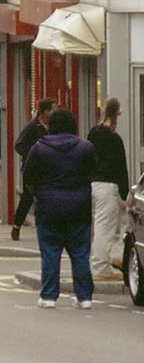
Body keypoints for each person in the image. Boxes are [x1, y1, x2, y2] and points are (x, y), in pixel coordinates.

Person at [23, 108, 96, 309]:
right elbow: (92, 173)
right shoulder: (86, 148)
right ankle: (84, 298)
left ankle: (48, 296)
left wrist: (40, 194)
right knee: (80, 254)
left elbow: (28, 178)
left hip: (48, 207)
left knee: (50, 253)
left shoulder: (39, 148)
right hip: (79, 207)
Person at [88, 97, 130, 280]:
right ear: (117, 113)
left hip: (94, 184)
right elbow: (121, 168)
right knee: (105, 227)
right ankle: (101, 267)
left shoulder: (93, 133)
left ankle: (112, 259)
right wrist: (124, 194)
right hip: (108, 187)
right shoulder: (114, 139)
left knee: (102, 225)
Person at [12, 99, 56, 241]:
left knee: (48, 198)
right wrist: (35, 152)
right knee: (27, 198)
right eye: (54, 109)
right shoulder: (32, 126)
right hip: (32, 169)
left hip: (49, 170)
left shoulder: (55, 126)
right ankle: (17, 225)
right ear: (45, 112)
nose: (56, 112)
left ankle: (46, 228)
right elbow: (19, 145)